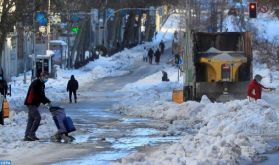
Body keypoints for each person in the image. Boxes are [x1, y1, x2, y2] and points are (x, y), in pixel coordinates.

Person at [24, 72, 51, 141]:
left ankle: (27, 135)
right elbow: (38, 96)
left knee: (31, 119)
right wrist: (47, 102)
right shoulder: (36, 83)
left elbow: (42, 95)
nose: (46, 79)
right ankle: (31, 134)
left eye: (47, 78)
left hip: (34, 103)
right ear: (41, 77)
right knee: (37, 118)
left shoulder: (42, 84)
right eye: (45, 78)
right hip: (31, 103)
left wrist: (48, 102)